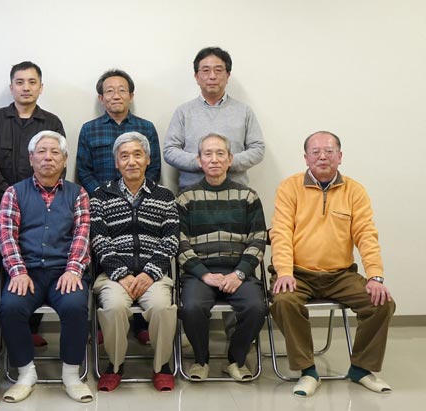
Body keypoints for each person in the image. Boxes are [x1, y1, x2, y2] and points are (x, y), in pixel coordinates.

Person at [270, 131, 395, 398]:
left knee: (381, 303)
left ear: (340, 156)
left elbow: (366, 234)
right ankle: (307, 371)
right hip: (298, 273)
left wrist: (375, 275)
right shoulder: (289, 187)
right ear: (306, 158)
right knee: (283, 300)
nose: (322, 157)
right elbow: (280, 233)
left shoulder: (354, 190)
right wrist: (284, 271)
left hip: (340, 275)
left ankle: (361, 368)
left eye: (329, 151)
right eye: (315, 152)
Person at [0, 131, 93, 403]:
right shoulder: (14, 193)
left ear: (64, 159)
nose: (48, 157)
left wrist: (73, 270)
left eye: (55, 152)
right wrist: (18, 271)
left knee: (75, 306)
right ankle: (26, 374)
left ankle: (71, 375)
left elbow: (82, 235)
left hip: (64, 271)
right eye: (41, 151)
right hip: (27, 272)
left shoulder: (78, 193)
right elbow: (6, 235)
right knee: (11, 307)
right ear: (31, 158)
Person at [0, 61, 65, 347]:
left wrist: (35, 197)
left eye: (32, 82)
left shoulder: (51, 122)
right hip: (3, 205)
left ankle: (30, 329)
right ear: (11, 87)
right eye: (20, 82)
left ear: (41, 87)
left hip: (44, 204)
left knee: (38, 258)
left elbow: (58, 163)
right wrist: (14, 196)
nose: (26, 87)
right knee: (3, 262)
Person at [76, 68, 160, 344]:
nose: (116, 95)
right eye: (109, 91)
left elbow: (154, 168)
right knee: (105, 256)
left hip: (140, 202)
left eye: (122, 90)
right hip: (102, 206)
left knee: (142, 252)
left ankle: (140, 323)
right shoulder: (89, 129)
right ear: (101, 98)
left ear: (131, 95)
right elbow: (83, 170)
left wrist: (137, 196)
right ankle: (106, 322)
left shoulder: (147, 128)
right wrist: (103, 197)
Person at [91, 132, 178, 392]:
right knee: (114, 307)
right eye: (124, 156)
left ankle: (161, 366)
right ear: (116, 163)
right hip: (114, 275)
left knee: (162, 307)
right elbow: (99, 239)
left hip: (154, 275)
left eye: (137, 155)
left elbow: (171, 239)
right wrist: (121, 273)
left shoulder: (164, 196)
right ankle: (115, 365)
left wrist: (150, 273)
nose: (131, 161)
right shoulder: (101, 195)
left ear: (148, 159)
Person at [176, 133, 268, 381]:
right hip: (200, 273)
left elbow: (258, 239)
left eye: (220, 154)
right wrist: (204, 274)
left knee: (256, 307)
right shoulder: (185, 198)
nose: (214, 159)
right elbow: (180, 243)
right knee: (192, 308)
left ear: (230, 159)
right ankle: (201, 360)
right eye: (208, 154)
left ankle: (236, 360)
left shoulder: (248, 196)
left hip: (238, 270)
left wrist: (239, 273)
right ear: (199, 160)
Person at [164, 46, 265, 190]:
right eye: (206, 70)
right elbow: (170, 150)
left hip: (236, 192)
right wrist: (202, 162)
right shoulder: (183, 112)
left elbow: (258, 149)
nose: (212, 76)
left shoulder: (244, 111)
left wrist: (226, 162)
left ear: (228, 75)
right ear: (196, 76)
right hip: (191, 193)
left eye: (218, 70)